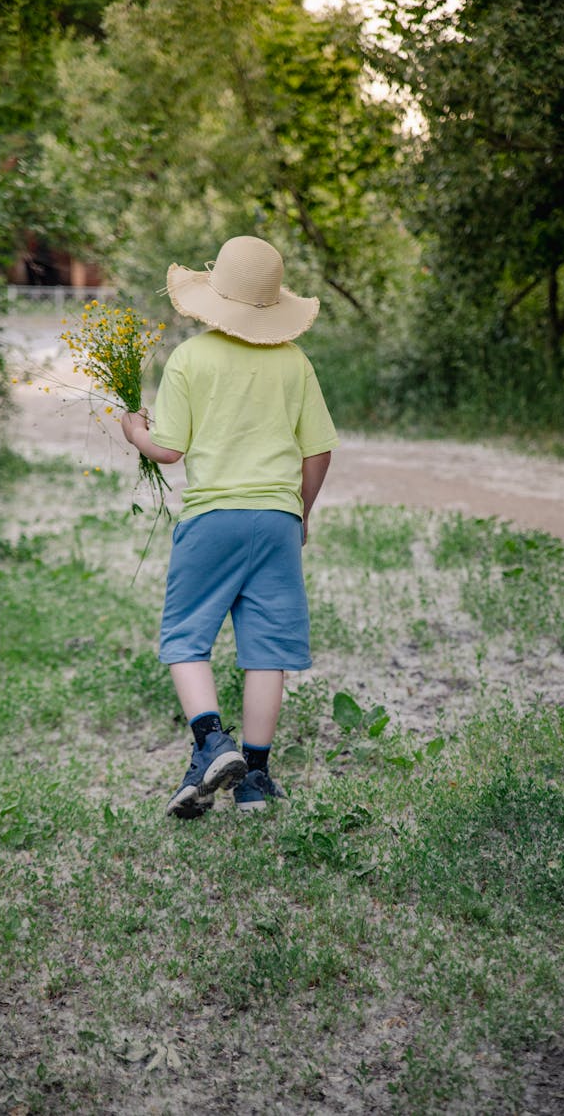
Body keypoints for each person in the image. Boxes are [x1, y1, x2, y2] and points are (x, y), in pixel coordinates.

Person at [121, 236, 338, 819]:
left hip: (213, 518)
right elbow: (318, 452)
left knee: (185, 636)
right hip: (275, 519)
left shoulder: (191, 359)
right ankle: (257, 780)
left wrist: (132, 430)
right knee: (268, 649)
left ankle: (211, 742)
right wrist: (302, 513)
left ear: (216, 299)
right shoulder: (295, 362)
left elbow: (167, 451)